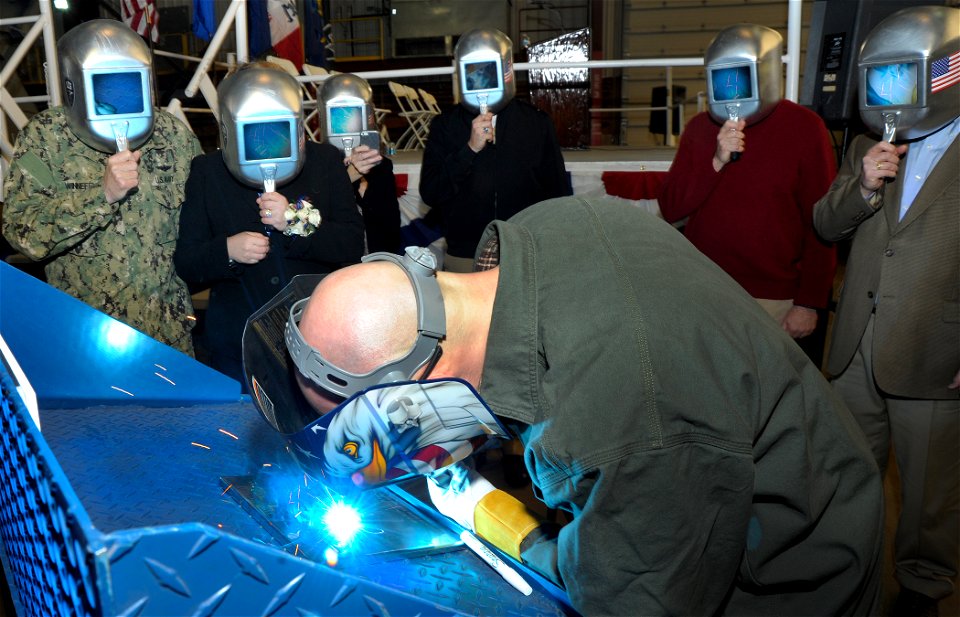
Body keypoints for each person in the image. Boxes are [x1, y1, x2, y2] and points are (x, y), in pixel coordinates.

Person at [248, 194, 884, 616]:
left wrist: (490, 513)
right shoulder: (546, 228)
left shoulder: (621, 422)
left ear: (419, 386)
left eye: (380, 435)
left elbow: (628, 594)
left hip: (794, 574)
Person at [812, 7, 959, 617]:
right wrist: (864, 185)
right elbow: (824, 223)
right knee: (847, 474)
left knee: (929, 499)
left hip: (935, 352)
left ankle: (923, 591)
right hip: (853, 348)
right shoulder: (870, 148)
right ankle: (854, 577)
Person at [2, 20, 200, 355]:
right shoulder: (45, 139)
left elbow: (204, 221)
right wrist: (101, 196)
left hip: (169, 338)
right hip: (84, 340)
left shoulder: (174, 137)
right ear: (72, 85)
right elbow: (23, 232)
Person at [174, 65, 363, 384]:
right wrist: (227, 250)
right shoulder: (208, 172)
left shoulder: (324, 162)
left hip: (316, 335)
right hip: (238, 343)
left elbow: (351, 242)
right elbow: (188, 263)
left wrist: (296, 221)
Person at [658, 24, 836, 358]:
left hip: (774, 300)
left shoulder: (803, 128)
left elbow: (821, 222)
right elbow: (670, 206)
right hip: (703, 290)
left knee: (772, 396)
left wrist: (809, 303)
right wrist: (716, 160)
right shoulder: (699, 128)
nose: (731, 90)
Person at [419, 28, 570, 273]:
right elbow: (431, 193)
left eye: (489, 71)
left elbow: (557, 194)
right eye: (473, 72)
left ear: (507, 70)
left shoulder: (536, 124)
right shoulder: (444, 126)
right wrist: (469, 150)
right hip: (464, 256)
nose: (481, 82)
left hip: (524, 255)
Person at [318, 73, 402, 255]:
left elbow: (391, 229)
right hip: (339, 262)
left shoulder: (381, 166)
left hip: (377, 260)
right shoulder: (319, 165)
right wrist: (349, 176)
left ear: (369, 117)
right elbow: (319, 216)